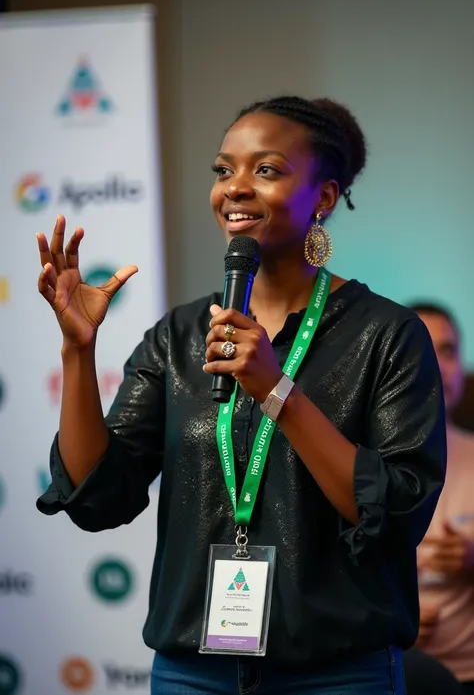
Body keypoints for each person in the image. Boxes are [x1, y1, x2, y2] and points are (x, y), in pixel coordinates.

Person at [36, 96, 446, 695]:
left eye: (268, 170)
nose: (235, 188)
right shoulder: (178, 337)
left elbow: (394, 514)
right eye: (224, 170)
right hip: (193, 674)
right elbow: (99, 494)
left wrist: (277, 389)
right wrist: (78, 351)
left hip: (336, 675)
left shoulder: (386, 336)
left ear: (325, 199)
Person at [406, 303, 474, 695]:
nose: (439, 365)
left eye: (448, 351)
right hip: (384, 669)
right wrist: (391, 624)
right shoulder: (350, 461)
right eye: (423, 350)